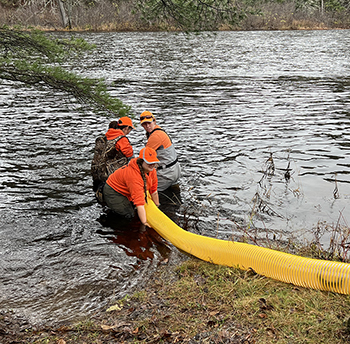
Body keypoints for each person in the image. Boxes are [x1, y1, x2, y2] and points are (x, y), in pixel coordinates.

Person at [103, 146, 160, 227]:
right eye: (149, 162)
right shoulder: (134, 176)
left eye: (153, 162)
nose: (152, 165)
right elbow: (139, 203)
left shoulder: (152, 171)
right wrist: (144, 223)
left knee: (135, 208)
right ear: (141, 161)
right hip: (113, 191)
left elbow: (154, 190)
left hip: (127, 189)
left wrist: (157, 206)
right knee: (129, 214)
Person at [140, 111, 181, 192]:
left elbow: (144, 158)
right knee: (173, 194)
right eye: (144, 124)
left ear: (154, 121)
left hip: (166, 173)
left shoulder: (155, 136)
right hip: (175, 169)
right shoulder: (159, 130)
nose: (147, 126)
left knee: (149, 191)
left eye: (149, 123)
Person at [91, 116, 135, 191]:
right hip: (113, 177)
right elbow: (131, 157)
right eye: (130, 130)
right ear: (126, 128)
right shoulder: (122, 140)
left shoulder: (105, 137)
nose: (128, 133)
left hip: (98, 175)